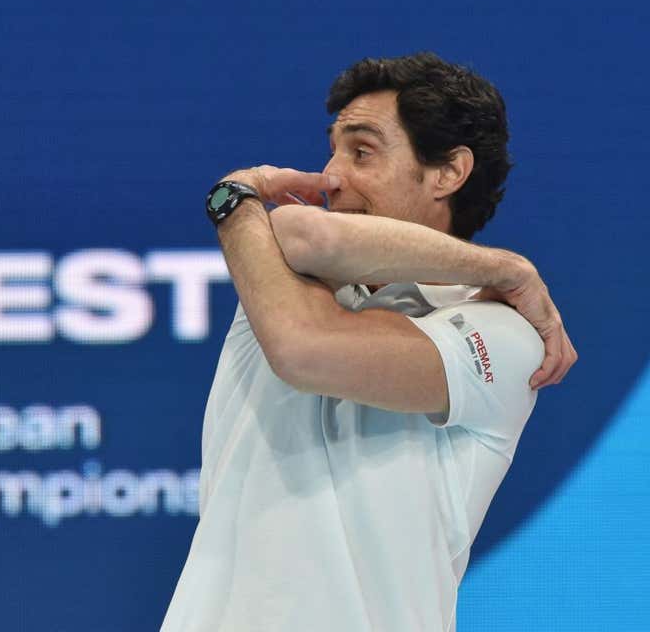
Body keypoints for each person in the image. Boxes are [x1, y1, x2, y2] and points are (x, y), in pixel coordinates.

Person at [160, 52, 578, 632]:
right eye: (332, 148)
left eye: (361, 151)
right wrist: (505, 265)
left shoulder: (503, 332)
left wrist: (237, 201)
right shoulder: (285, 276)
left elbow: (305, 349)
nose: (331, 175)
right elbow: (298, 230)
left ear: (448, 172)